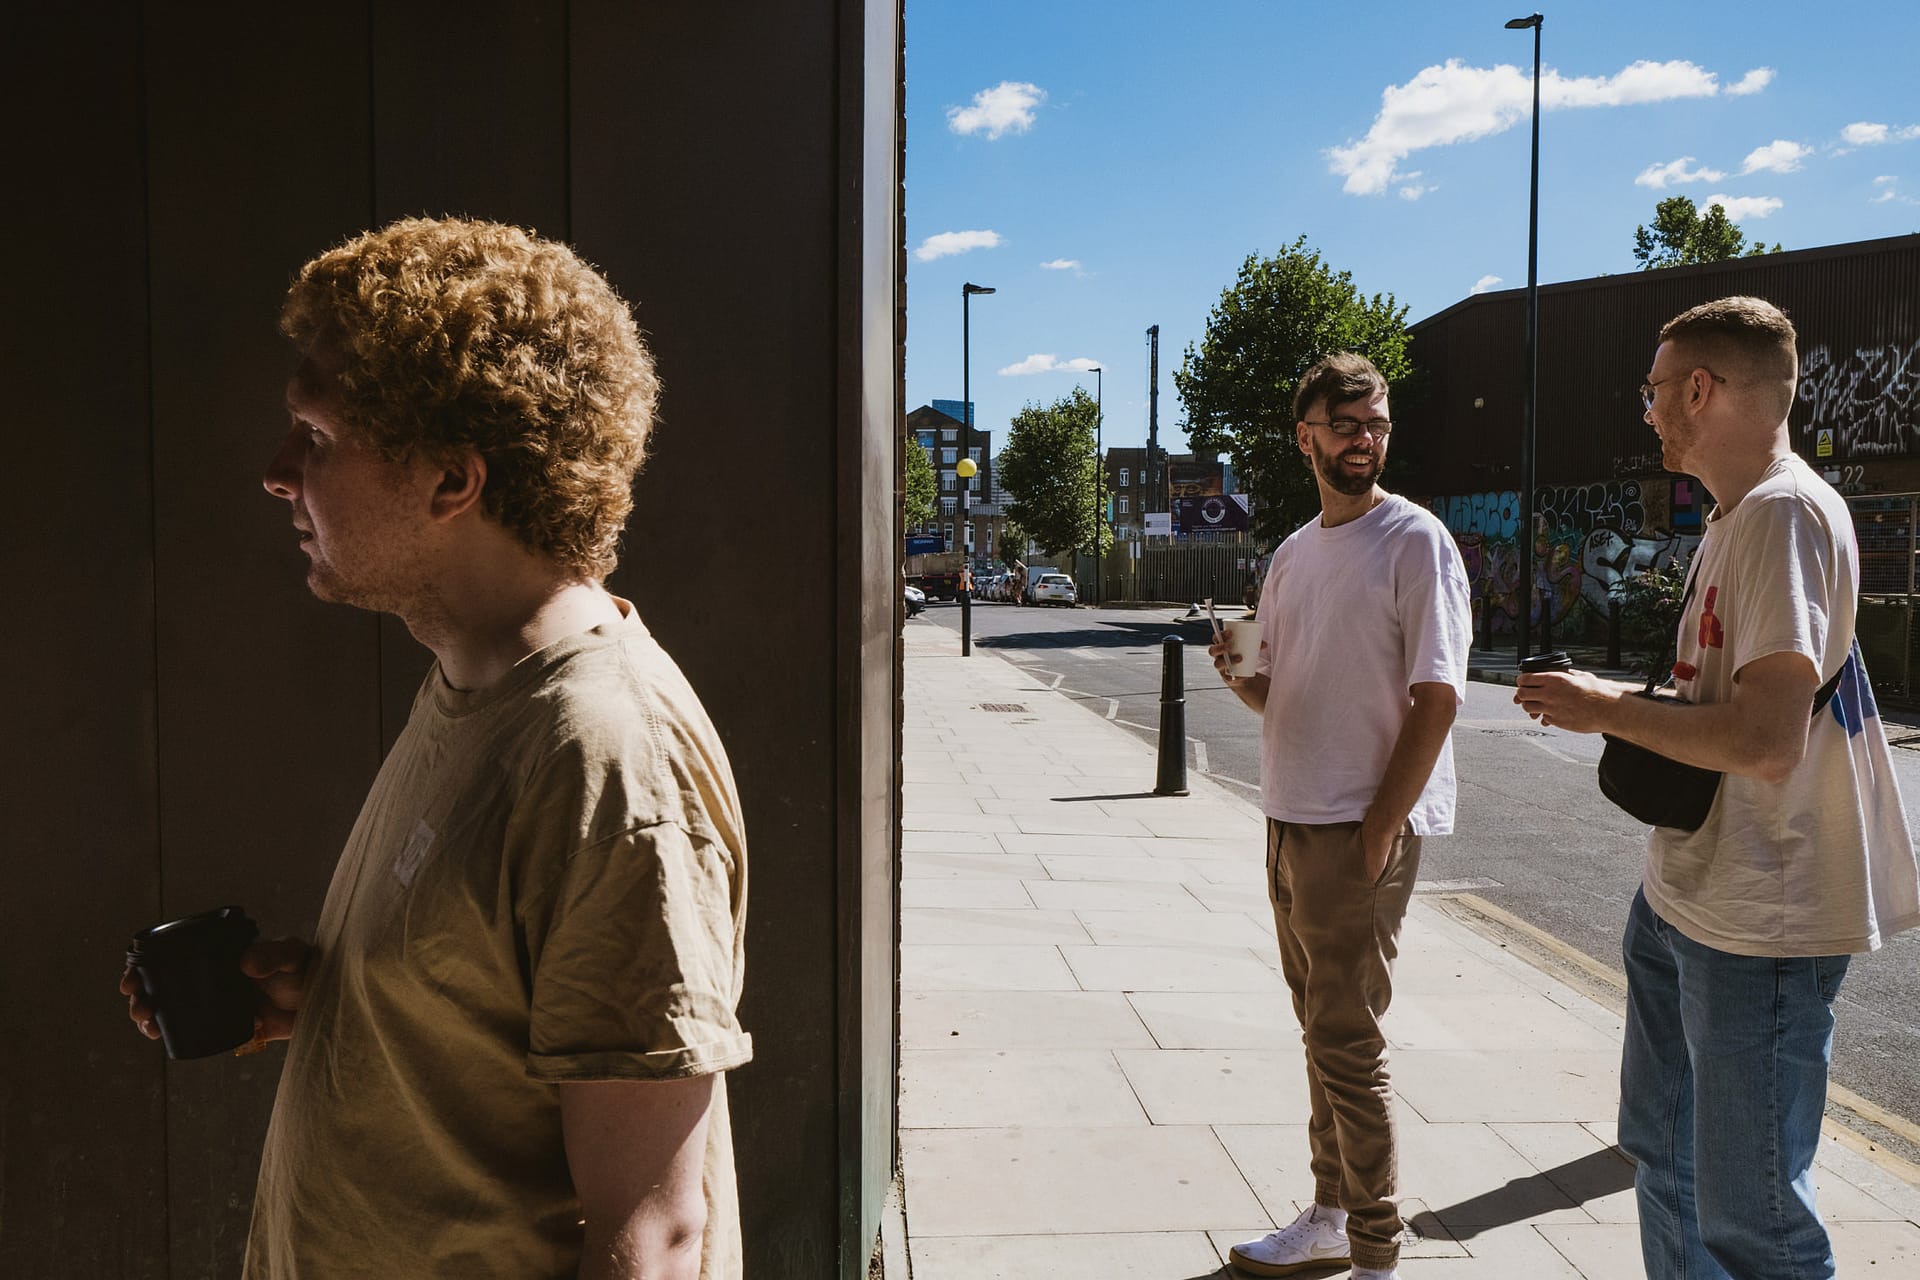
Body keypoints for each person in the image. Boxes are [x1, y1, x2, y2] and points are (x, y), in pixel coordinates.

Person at [119, 218, 752, 1280]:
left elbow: (657, 1236)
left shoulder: (606, 757)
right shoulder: (476, 678)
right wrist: (342, 1001)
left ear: (453, 483)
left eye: (317, 439)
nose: (279, 473)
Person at [1515, 296, 1919, 1280]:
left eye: (1654, 390)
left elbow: (1768, 740)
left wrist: (1604, 705)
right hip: (1689, 894)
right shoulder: (1746, 515)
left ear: (1700, 388)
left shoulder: (1781, 516)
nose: (1646, 410)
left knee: (1754, 1216)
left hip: (1763, 919)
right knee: (1667, 1159)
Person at [1209, 352, 1471, 1280]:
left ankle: (1375, 1252)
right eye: (1348, 423)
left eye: (1379, 423)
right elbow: (1286, 694)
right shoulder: (1292, 552)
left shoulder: (1415, 542)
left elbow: (1437, 697)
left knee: (1348, 1044)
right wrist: (1244, 678)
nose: (1366, 439)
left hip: (1359, 829)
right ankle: (1328, 1213)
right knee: (1320, 1030)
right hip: (1289, 818)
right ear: (1306, 436)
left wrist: (1377, 835)